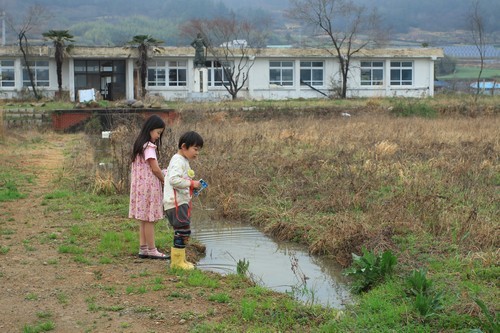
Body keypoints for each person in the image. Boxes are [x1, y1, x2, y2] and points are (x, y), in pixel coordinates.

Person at [129, 115, 168, 260]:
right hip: (149, 188)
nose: (158, 136)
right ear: (150, 130)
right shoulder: (150, 148)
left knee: (144, 219)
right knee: (150, 219)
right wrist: (164, 181)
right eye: (158, 132)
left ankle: (143, 248)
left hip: (139, 188)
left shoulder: (140, 145)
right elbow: (155, 169)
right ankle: (152, 249)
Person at [163, 131, 204, 269]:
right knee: (182, 231)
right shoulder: (178, 160)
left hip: (180, 202)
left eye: (199, 150)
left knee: (183, 230)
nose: (197, 153)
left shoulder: (183, 160)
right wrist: (192, 183)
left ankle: (181, 260)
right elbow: (174, 180)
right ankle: (177, 263)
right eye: (195, 149)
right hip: (176, 203)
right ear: (184, 146)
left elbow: (182, 181)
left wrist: (192, 187)